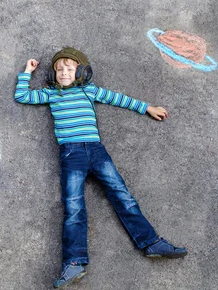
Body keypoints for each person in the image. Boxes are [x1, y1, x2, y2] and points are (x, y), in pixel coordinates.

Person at [14, 47, 187, 288]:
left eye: (70, 68)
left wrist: (147, 107)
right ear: (53, 75)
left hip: (96, 151)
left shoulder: (89, 90)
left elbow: (119, 98)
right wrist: (27, 72)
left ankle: (150, 243)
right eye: (59, 69)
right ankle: (74, 263)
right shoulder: (51, 94)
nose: (64, 72)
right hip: (71, 155)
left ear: (81, 72)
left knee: (122, 195)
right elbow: (22, 96)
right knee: (73, 207)